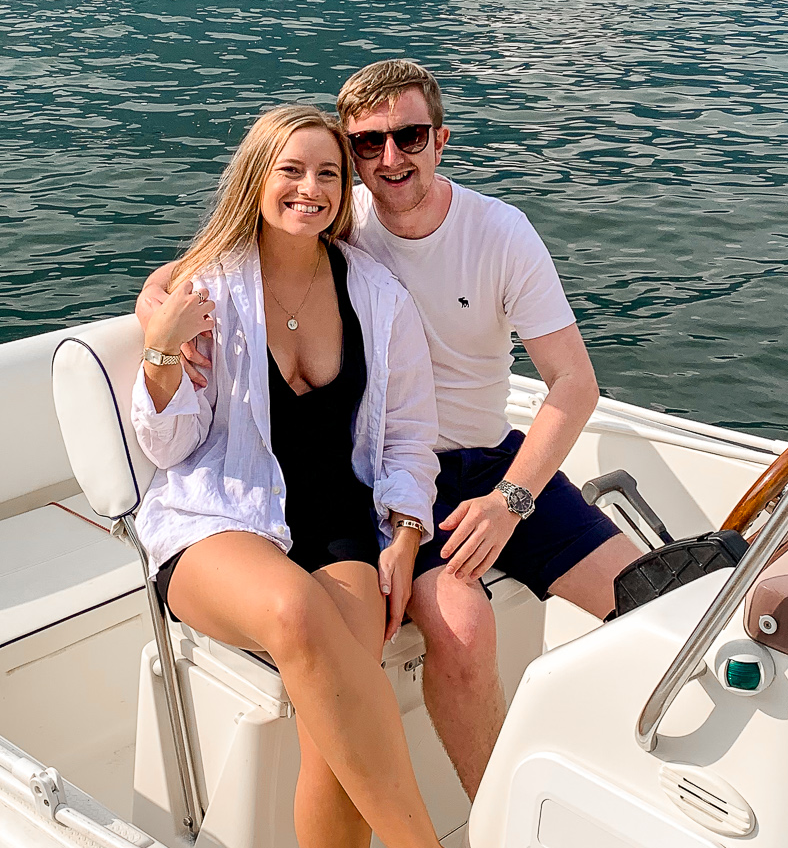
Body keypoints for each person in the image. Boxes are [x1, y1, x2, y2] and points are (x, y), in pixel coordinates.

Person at [140, 62, 640, 803]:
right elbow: (205, 268)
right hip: (399, 474)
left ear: (441, 139)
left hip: (500, 467)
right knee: (465, 634)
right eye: (366, 145)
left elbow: (574, 385)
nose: (389, 159)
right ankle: (498, 836)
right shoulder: (338, 227)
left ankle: (643, 780)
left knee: (653, 603)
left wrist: (512, 500)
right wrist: (158, 313)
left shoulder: (499, 232)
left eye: (408, 137)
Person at [132, 102, 523, 848]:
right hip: (217, 520)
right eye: (291, 172)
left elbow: (408, 440)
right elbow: (165, 444)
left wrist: (405, 534)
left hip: (344, 525)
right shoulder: (205, 288)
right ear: (255, 180)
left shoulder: (374, 293)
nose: (311, 190)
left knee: (336, 718)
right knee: (296, 613)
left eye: (326, 175)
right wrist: (161, 348)